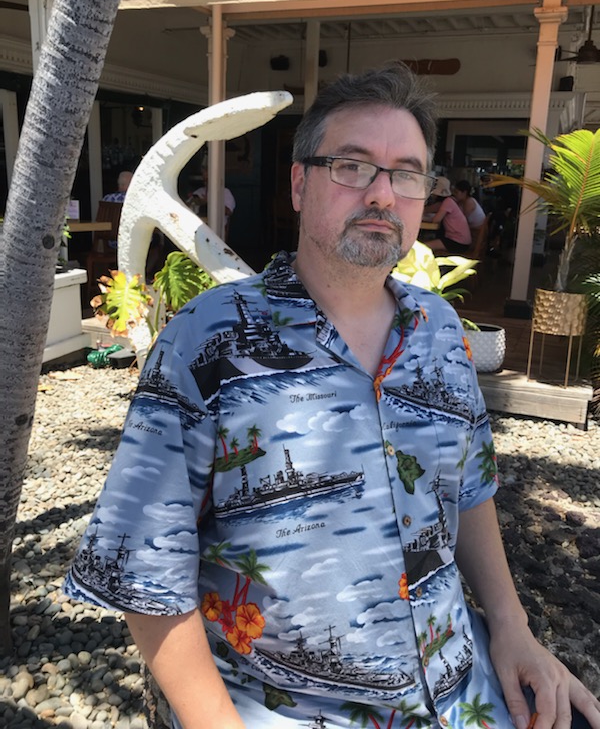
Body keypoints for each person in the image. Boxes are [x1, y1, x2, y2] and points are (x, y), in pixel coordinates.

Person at [64, 63, 600, 729]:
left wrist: (514, 630)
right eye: (352, 166)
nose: (383, 193)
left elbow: (469, 488)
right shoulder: (208, 342)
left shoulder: (438, 330)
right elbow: (145, 570)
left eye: (407, 173)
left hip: (460, 688)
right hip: (288, 708)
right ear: (299, 183)